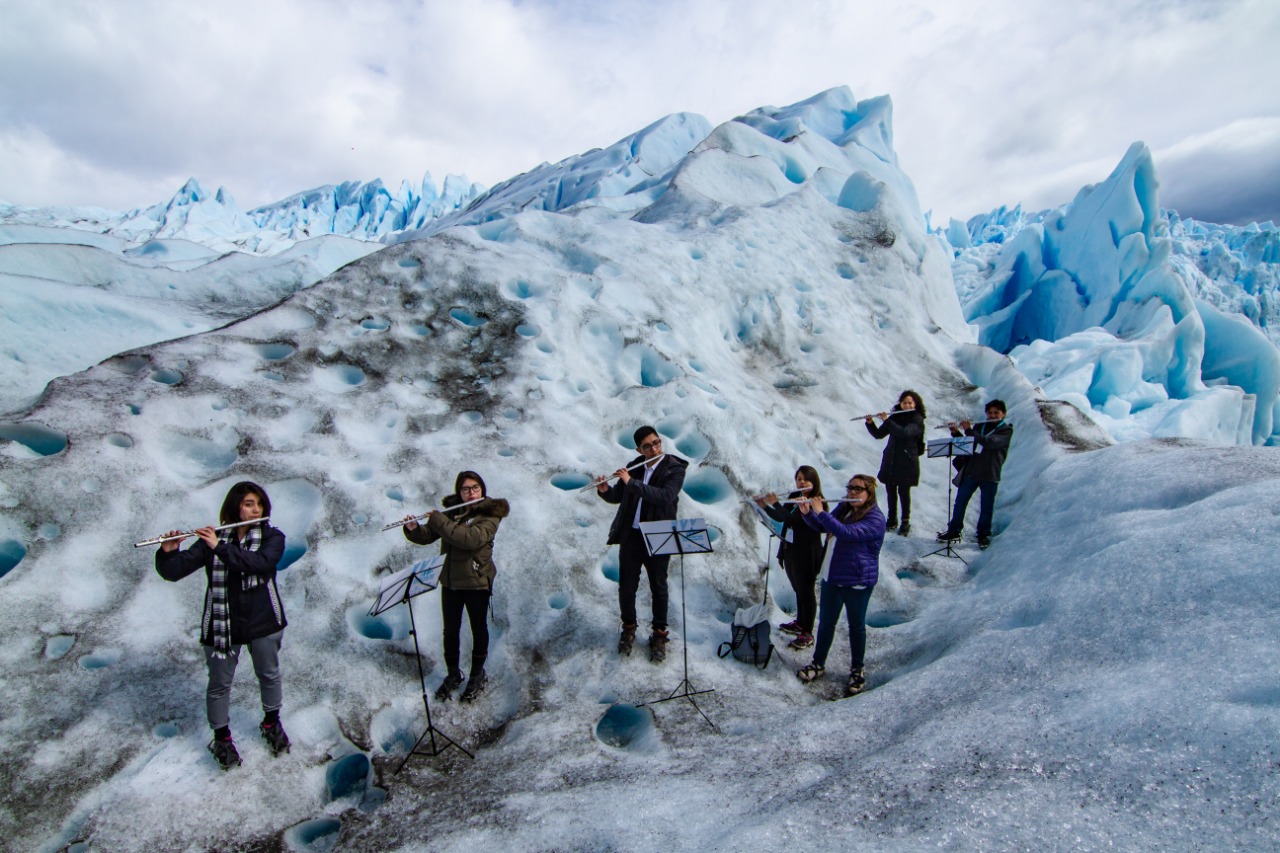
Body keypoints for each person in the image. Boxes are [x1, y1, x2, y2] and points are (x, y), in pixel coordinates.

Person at [154, 481, 289, 770]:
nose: (255, 509)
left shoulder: (272, 537)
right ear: (235, 506)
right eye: (249, 504)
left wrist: (220, 547)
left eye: (259, 504)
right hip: (222, 624)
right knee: (219, 684)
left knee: (269, 674)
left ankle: (271, 722)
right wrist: (168, 553)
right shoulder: (212, 540)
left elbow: (257, 564)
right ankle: (222, 737)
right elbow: (174, 572)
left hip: (263, 621)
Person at [403, 471, 509, 703]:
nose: (470, 493)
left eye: (474, 488)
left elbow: (468, 538)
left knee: (477, 629)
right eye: (465, 489)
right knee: (450, 631)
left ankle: (477, 674)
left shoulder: (490, 515)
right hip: (450, 582)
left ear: (482, 489)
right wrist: (414, 529)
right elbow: (429, 535)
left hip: (476, 581)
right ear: (458, 492)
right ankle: (453, 674)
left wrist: (439, 520)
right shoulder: (454, 513)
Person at [596, 425, 689, 662]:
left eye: (657, 442)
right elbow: (620, 496)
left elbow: (664, 497)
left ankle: (659, 633)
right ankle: (629, 628)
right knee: (627, 586)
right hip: (632, 536)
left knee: (659, 586)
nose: (655, 448)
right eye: (648, 446)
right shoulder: (636, 466)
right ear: (640, 448)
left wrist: (630, 482)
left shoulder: (674, 468)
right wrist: (606, 491)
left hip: (659, 533)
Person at [795, 474, 886, 697]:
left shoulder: (875, 519)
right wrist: (808, 514)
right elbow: (824, 526)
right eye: (850, 488)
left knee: (856, 625)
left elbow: (845, 533)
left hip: (857, 580)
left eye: (858, 489)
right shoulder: (845, 508)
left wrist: (821, 511)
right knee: (826, 623)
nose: (852, 493)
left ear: (869, 493)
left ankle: (857, 669)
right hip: (833, 576)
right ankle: (818, 663)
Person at [754, 466, 827, 651]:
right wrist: (765, 507)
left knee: (806, 591)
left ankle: (807, 632)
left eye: (805, 479)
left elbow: (796, 521)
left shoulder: (818, 501)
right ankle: (800, 623)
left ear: (814, 481)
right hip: (791, 549)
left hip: (807, 552)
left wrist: (776, 502)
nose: (801, 482)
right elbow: (782, 517)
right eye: (799, 479)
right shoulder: (795, 496)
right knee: (798, 588)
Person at [936, 399, 1013, 550]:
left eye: (996, 413)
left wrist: (970, 431)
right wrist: (955, 433)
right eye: (989, 413)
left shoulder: (1005, 430)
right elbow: (966, 445)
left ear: (1003, 414)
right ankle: (954, 531)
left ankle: (983, 535)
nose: (992, 415)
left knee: (986, 507)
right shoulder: (980, 426)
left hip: (990, 474)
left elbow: (989, 442)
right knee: (960, 503)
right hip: (972, 471)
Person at [864, 390, 926, 536]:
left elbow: (905, 433)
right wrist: (870, 423)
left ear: (915, 404)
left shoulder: (917, 419)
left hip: (907, 461)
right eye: (904, 402)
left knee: (904, 492)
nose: (907, 405)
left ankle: (905, 521)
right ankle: (892, 519)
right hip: (892, 459)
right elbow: (879, 435)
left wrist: (887, 420)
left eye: (910, 402)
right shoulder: (896, 417)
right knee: (890, 489)